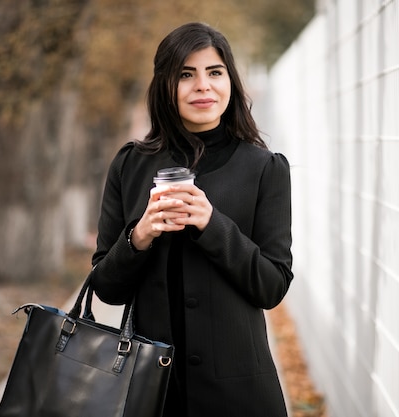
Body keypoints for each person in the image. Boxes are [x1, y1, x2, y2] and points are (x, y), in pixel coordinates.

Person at [90, 22, 293, 417]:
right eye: (186, 74)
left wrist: (212, 224)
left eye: (214, 72)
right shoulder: (130, 166)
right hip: (151, 394)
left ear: (230, 81)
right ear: (165, 85)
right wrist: (140, 235)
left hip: (239, 397)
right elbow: (106, 287)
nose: (203, 86)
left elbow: (272, 286)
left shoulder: (263, 168)